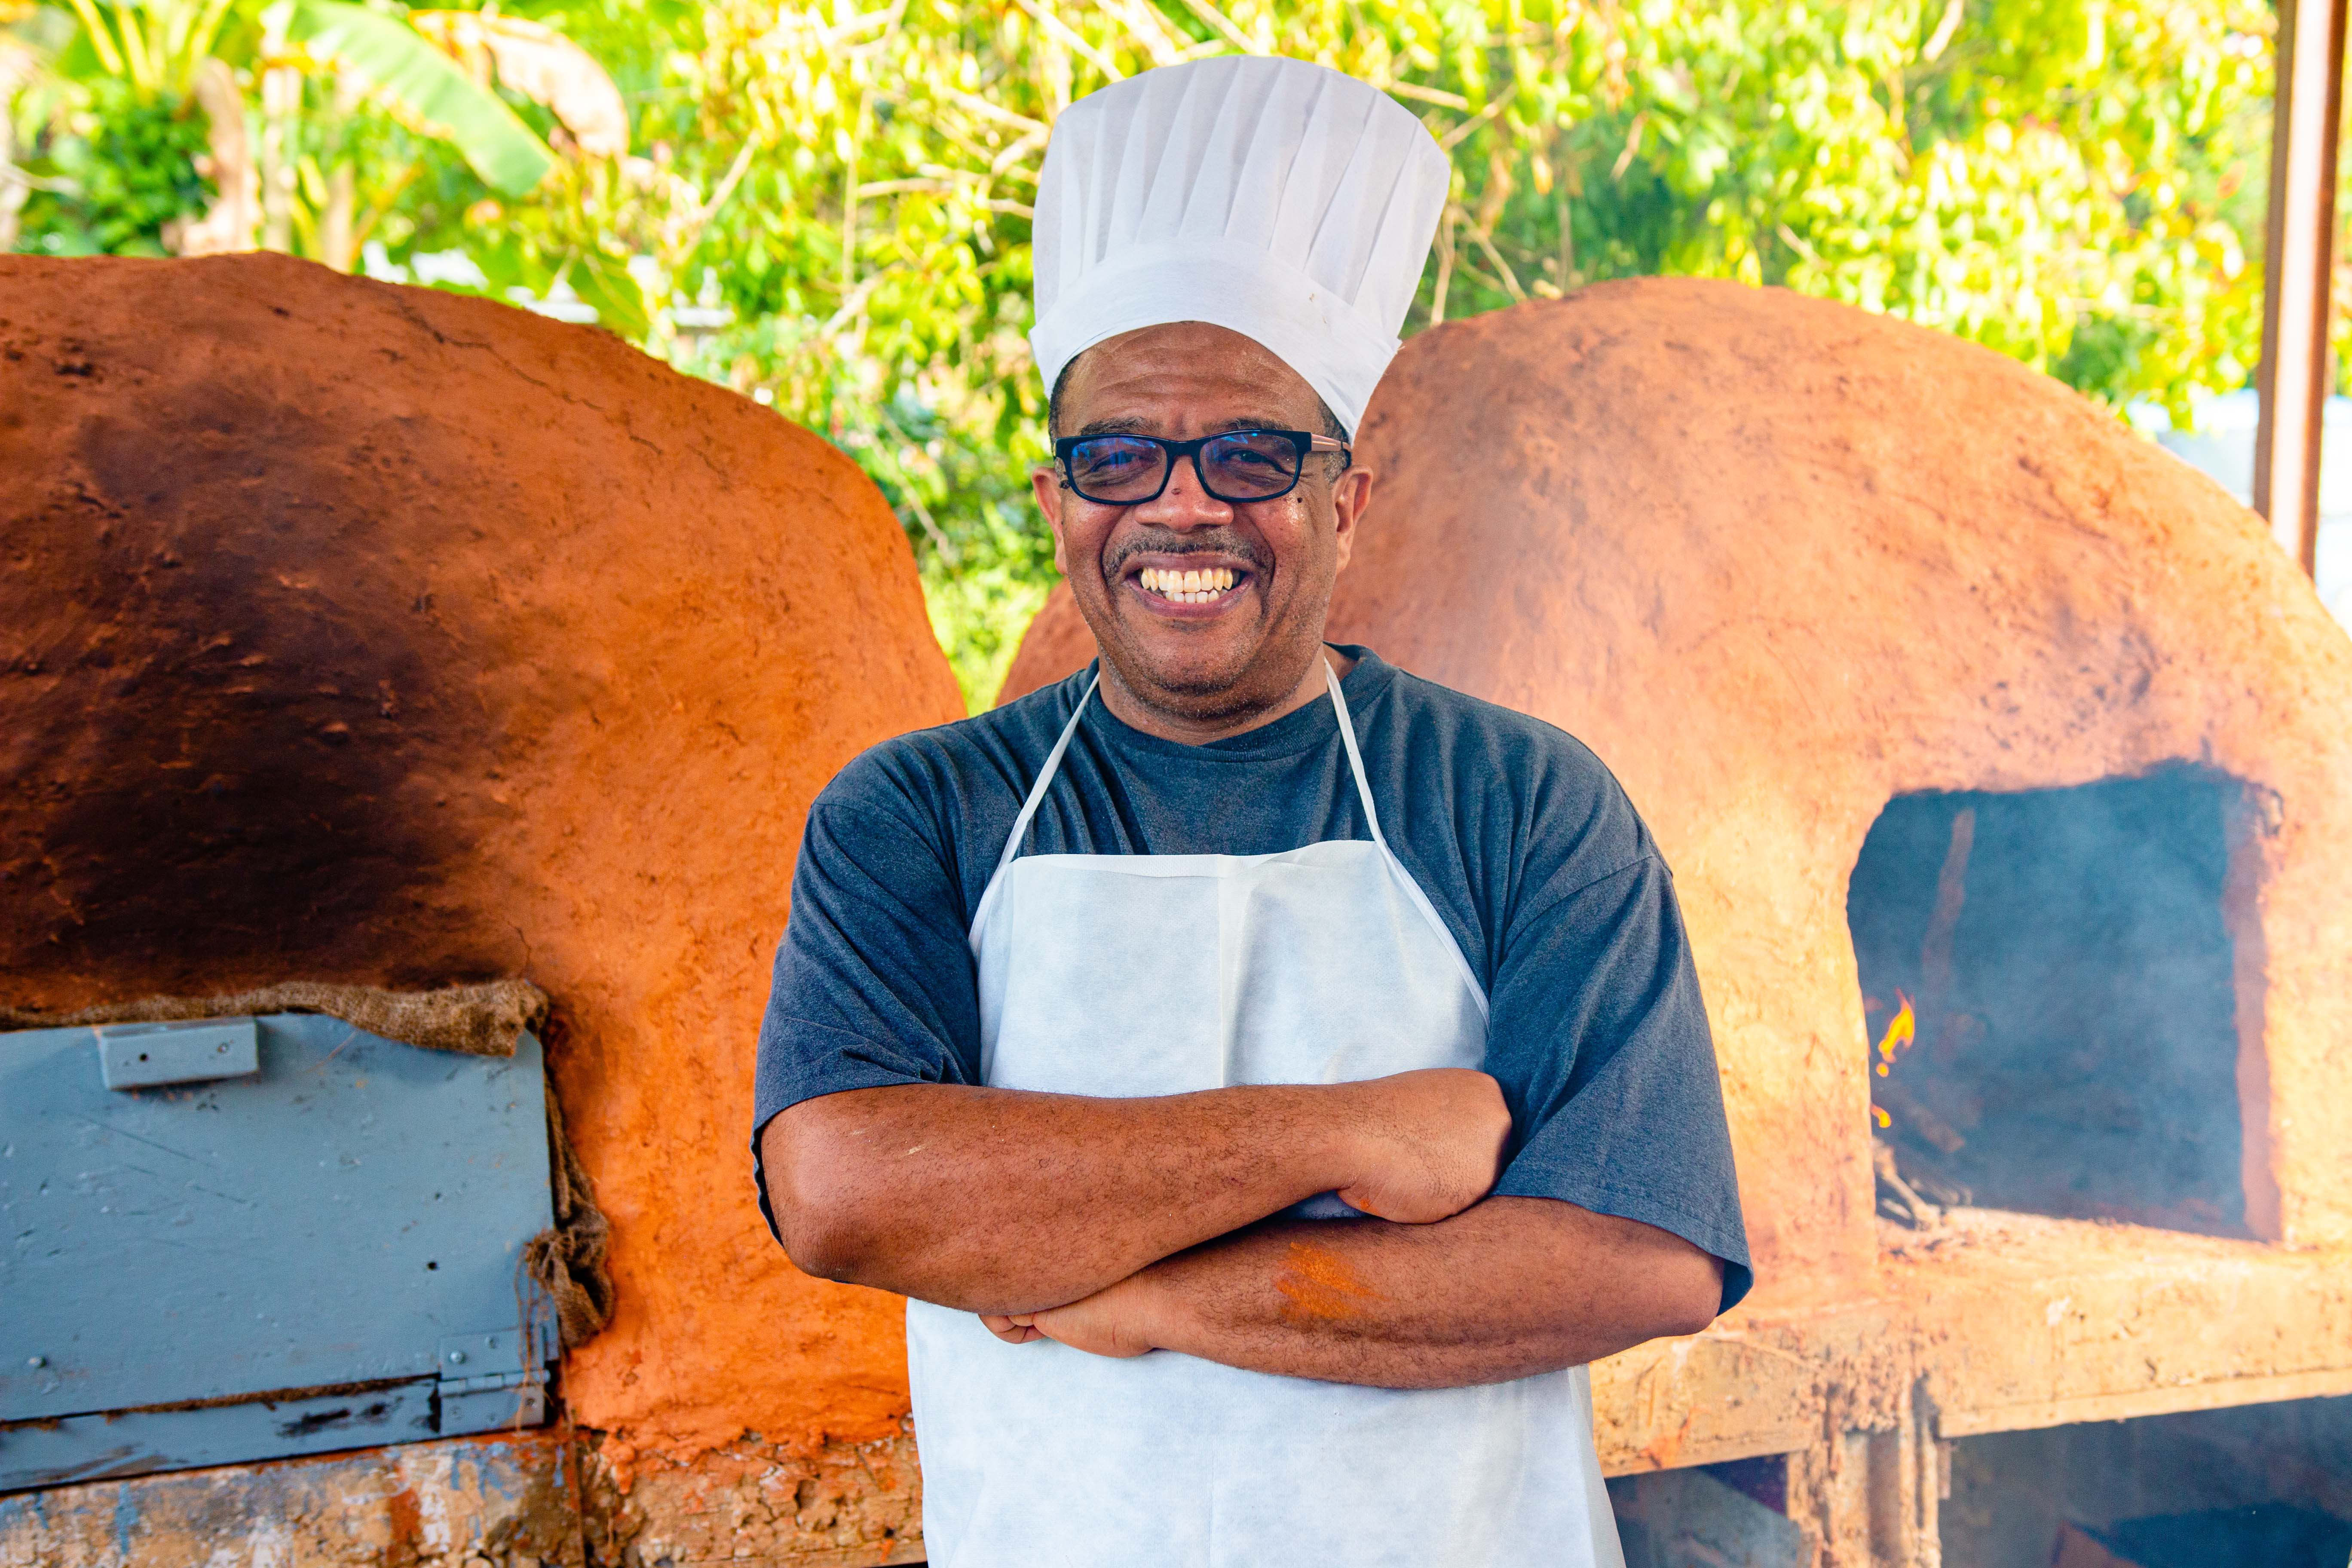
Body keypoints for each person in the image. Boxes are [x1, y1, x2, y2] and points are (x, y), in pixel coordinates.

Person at [752, 54, 1751, 1567]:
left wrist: (1149, 1297)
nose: (1184, 505)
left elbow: (1638, 1256)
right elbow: (845, 1191)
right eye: (1119, 457)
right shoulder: (919, 814)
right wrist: (1354, 1131)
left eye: (1251, 455)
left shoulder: (1519, 800)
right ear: (1057, 501)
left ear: (1342, 500)